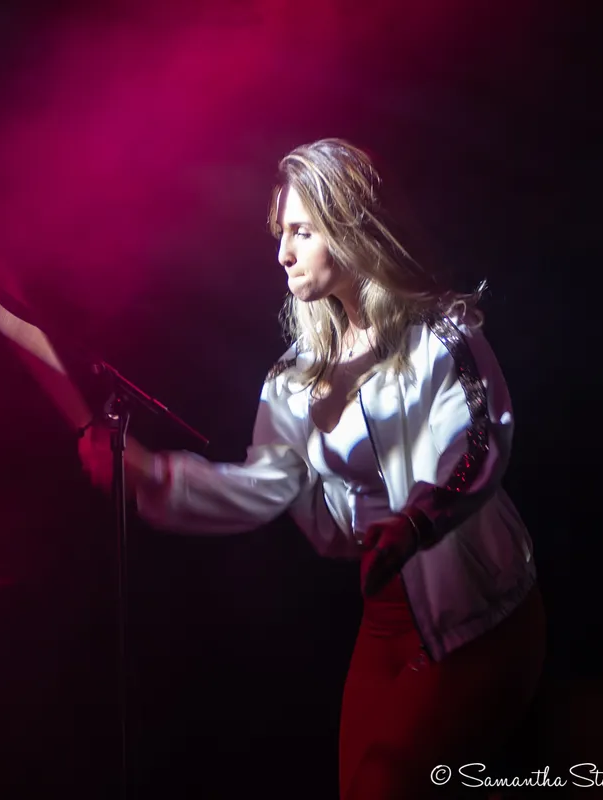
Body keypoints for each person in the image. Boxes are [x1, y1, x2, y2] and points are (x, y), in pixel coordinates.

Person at [77, 139, 545, 799]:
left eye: (301, 231)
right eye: (280, 233)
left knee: (384, 787)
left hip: (480, 620)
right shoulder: (296, 378)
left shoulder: (439, 335)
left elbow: (477, 443)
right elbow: (265, 485)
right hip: (383, 627)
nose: (282, 253)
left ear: (352, 229)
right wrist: (152, 476)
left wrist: (415, 523)